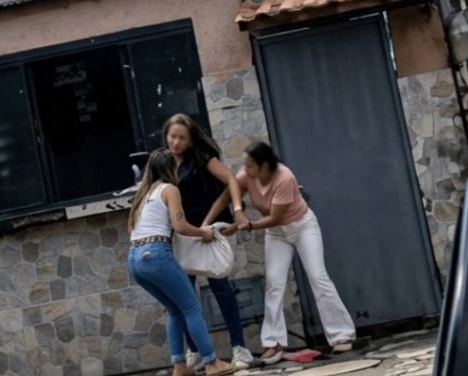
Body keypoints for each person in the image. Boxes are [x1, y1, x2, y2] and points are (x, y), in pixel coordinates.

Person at [209, 141, 355, 365]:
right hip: (276, 234)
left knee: (318, 276)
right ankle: (273, 343)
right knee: (274, 283)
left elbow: (275, 217)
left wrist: (243, 225)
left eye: (250, 165)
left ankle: (341, 335)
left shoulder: (284, 178)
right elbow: (228, 194)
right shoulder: (248, 175)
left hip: (302, 227)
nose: (246, 169)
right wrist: (223, 216)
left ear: (264, 165)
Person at [127, 149, 235, 376]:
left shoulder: (142, 193)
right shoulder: (170, 189)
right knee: (192, 308)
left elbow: (131, 227)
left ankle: (179, 366)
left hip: (135, 258)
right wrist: (203, 233)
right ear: (171, 168)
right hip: (156, 254)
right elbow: (180, 226)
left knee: (174, 309)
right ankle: (211, 362)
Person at [162, 114, 255, 371]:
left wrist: (237, 211)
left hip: (210, 231)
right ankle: (194, 351)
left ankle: (240, 348)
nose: (176, 142)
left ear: (191, 140)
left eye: (182, 138)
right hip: (184, 233)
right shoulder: (165, 164)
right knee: (184, 293)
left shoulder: (203, 158)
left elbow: (232, 180)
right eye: (172, 136)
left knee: (221, 287)